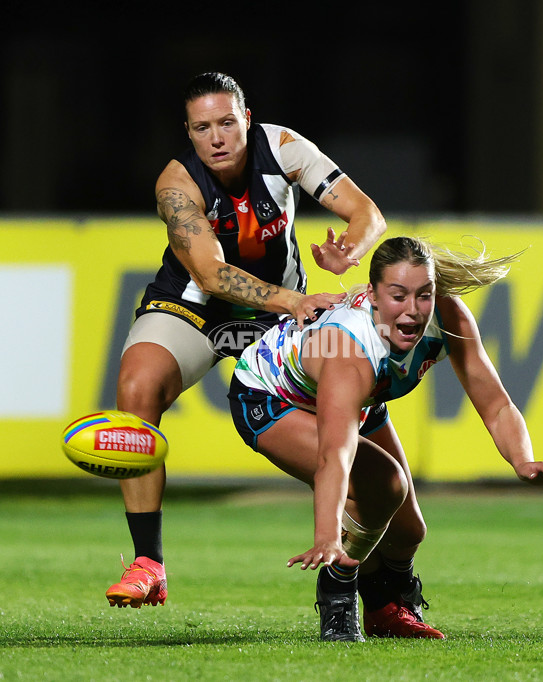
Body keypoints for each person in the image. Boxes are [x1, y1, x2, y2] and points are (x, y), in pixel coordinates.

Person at [105, 72, 387, 608]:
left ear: (247, 120)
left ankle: (383, 580)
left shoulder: (283, 148)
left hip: (282, 312)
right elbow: (210, 277)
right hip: (194, 306)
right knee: (136, 389)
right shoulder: (176, 185)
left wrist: (350, 250)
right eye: (202, 127)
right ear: (188, 133)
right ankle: (149, 565)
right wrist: (294, 302)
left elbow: (366, 213)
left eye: (227, 123)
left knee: (357, 414)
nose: (216, 137)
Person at [228, 235, 543, 642]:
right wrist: (326, 537)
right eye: (398, 296)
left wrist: (522, 460)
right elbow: (334, 457)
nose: (412, 311)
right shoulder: (348, 347)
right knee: (386, 485)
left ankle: (385, 609)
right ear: (373, 296)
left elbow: (496, 404)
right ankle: (338, 588)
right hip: (271, 398)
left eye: (423, 295)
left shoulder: (449, 316)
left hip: (358, 400)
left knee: (409, 533)